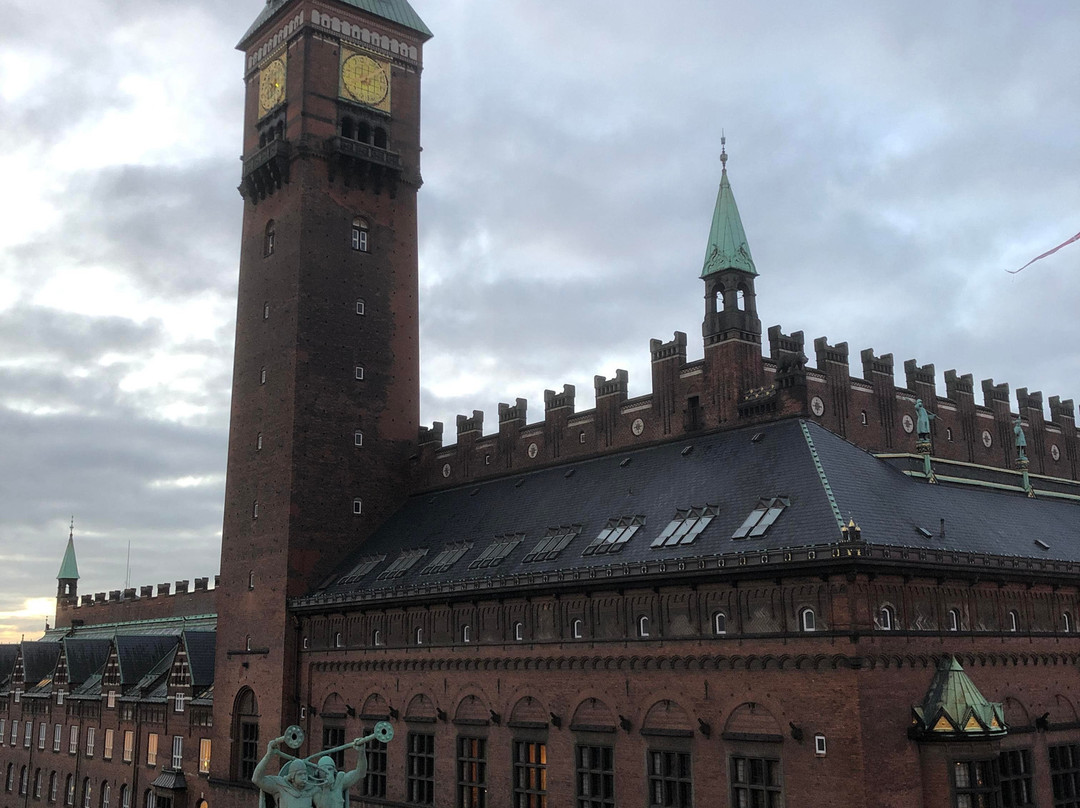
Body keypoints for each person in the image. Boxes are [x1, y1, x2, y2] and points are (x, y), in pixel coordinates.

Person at [253, 737, 316, 808]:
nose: (304, 777)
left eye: (305, 774)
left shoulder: (312, 789)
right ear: (292, 776)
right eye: (300, 774)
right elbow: (256, 779)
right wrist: (268, 755)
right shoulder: (281, 786)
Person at [312, 740, 368, 808]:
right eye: (323, 770)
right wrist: (326, 787)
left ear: (334, 771)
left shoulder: (340, 781)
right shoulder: (315, 788)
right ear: (318, 772)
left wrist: (361, 752)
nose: (327, 772)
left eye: (330, 769)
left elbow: (360, 772)